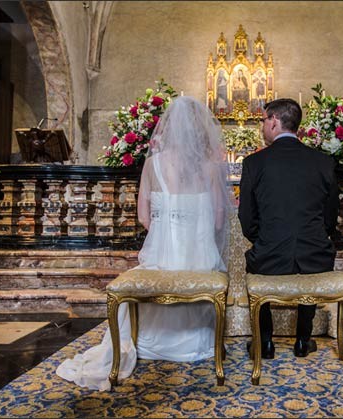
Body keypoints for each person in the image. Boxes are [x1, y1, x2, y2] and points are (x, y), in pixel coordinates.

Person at [57, 97, 232, 391]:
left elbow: (143, 217)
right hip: (199, 259)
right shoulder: (211, 167)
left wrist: (167, 233)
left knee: (150, 273)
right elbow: (218, 222)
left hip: (162, 257)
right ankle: (194, 342)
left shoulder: (153, 165)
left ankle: (148, 341)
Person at [238, 98, 339, 359]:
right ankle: (303, 341)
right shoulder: (323, 162)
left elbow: (246, 218)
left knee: (254, 262)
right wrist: (312, 237)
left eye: (263, 121)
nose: (262, 127)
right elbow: (330, 217)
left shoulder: (254, 163)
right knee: (307, 269)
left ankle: (266, 342)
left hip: (270, 256)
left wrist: (268, 239)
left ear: (274, 121)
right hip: (316, 255)